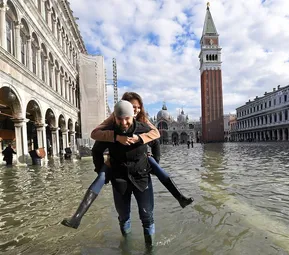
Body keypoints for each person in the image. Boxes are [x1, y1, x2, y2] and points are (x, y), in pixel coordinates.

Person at [61, 92, 193, 230]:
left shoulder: (143, 123)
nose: (134, 110)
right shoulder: (112, 122)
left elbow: (156, 138)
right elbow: (96, 141)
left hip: (141, 171)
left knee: (147, 216)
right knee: (122, 214)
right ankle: (77, 217)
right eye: (131, 107)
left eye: (137, 107)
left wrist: (142, 141)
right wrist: (115, 138)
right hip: (118, 175)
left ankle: (180, 198)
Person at [92, 100, 157, 246]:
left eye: (126, 118)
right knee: (123, 216)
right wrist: (101, 171)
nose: (123, 122)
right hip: (119, 179)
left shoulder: (143, 129)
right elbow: (96, 151)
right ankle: (126, 247)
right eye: (119, 119)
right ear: (114, 118)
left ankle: (150, 248)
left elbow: (155, 142)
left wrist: (155, 165)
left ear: (133, 116)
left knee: (147, 216)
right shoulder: (109, 133)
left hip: (142, 178)